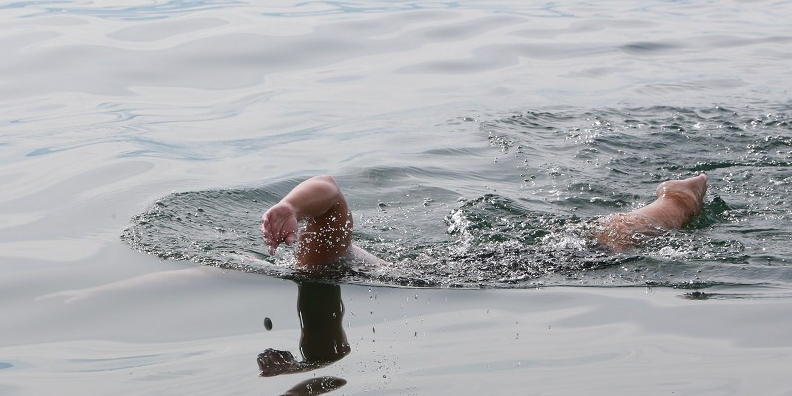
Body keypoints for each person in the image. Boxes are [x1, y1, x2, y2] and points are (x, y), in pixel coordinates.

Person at [261, 173, 709, 265]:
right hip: (487, 268)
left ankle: (680, 195)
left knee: (619, 237)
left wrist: (289, 207)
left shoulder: (319, 257)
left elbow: (329, 188)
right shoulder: (318, 262)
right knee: (606, 238)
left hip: (487, 269)